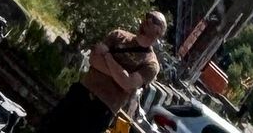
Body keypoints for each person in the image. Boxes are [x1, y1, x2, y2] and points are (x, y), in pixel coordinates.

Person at [36, 11, 168, 133]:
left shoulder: (151, 64)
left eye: (154, 20)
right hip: (82, 92)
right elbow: (94, 60)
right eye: (148, 15)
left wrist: (108, 57)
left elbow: (128, 84)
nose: (148, 19)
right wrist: (120, 76)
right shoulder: (118, 35)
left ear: (159, 32)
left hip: (102, 109)